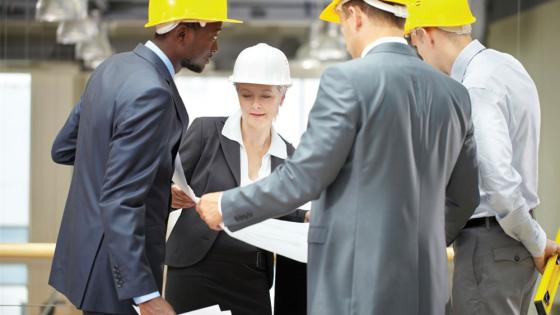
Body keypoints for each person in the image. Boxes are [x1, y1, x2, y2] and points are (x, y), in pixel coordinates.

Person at [195, 0, 481, 314]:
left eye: (341, 24)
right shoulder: (454, 94)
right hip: (427, 288)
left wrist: (226, 205)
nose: (344, 35)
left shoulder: (347, 80)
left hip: (358, 289)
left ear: (354, 15)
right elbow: (464, 197)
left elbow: (303, 177)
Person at [48, 1, 241, 314]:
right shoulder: (152, 91)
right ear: (182, 33)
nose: (216, 46)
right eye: (214, 35)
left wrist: (156, 190)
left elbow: (66, 148)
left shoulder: (112, 67)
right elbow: (119, 199)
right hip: (117, 279)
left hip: (87, 267)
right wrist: (145, 295)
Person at [405, 0, 560, 314]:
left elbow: (499, 182)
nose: (418, 53)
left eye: (414, 42)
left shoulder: (476, 85)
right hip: (510, 243)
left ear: (426, 34)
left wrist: (536, 241)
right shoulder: (506, 65)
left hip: (491, 244)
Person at [164, 43, 307, 315]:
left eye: (266, 96)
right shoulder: (206, 131)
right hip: (195, 268)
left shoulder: (289, 156)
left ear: (282, 97)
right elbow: (163, 187)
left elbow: (280, 208)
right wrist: (168, 195)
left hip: (250, 271)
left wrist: (305, 217)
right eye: (246, 95)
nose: (255, 105)